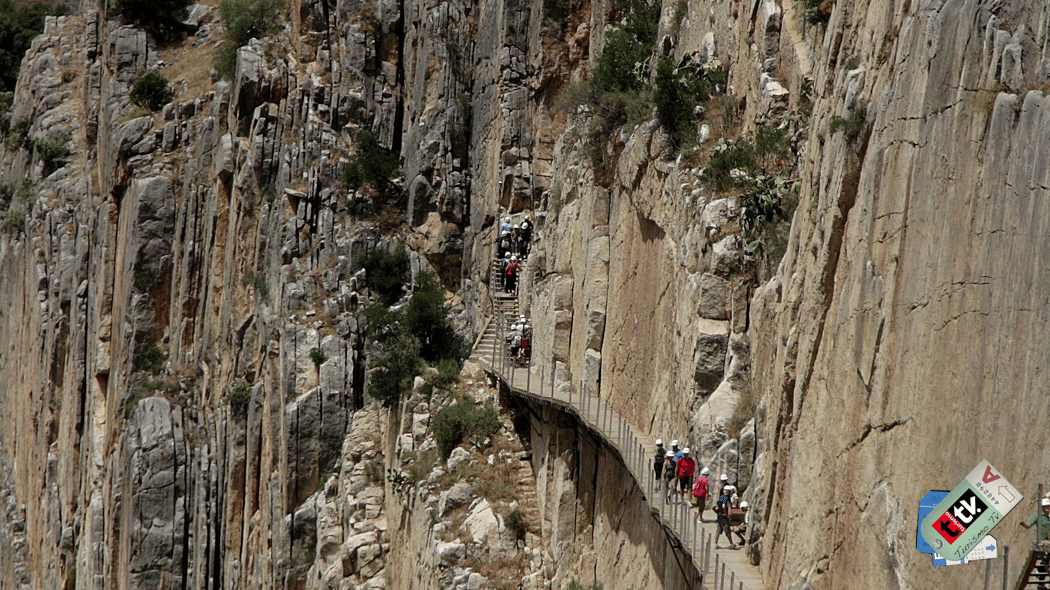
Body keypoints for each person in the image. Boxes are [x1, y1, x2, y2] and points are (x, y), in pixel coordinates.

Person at [714, 474, 732, 548]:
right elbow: (724, 506)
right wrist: (727, 515)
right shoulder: (726, 498)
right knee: (727, 530)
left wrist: (717, 512)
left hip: (719, 515)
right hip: (724, 516)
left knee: (718, 530)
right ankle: (731, 544)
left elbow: (715, 507)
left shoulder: (721, 497)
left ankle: (715, 544)